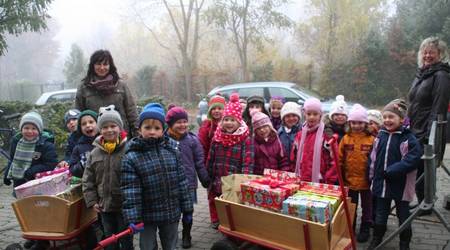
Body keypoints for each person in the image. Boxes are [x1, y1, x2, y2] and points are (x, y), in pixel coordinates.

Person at [121, 103, 193, 250]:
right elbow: (131, 191)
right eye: (147, 127)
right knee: (147, 246)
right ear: (139, 130)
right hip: (147, 217)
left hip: (171, 212)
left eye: (157, 128)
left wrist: (187, 209)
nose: (152, 132)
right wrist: (134, 218)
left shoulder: (172, 150)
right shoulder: (132, 157)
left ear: (163, 130)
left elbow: (182, 182)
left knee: (171, 245)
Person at [367, 99, 422, 250]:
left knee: (403, 215)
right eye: (385, 117)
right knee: (380, 213)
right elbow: (373, 157)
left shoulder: (408, 138)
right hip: (382, 184)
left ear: (402, 119)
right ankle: (377, 238)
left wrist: (395, 169)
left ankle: (404, 243)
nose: (387, 120)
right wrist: (370, 175)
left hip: (401, 185)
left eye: (391, 117)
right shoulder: (380, 136)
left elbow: (413, 157)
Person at [3, 111, 58, 250]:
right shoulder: (17, 141)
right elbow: (13, 160)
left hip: (37, 185)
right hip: (20, 183)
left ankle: (42, 241)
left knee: (38, 212)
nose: (29, 131)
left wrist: (30, 171)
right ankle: (33, 237)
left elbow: (50, 164)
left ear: (39, 130)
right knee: (26, 212)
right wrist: (7, 175)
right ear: (21, 129)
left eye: (33, 128)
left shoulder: (45, 145)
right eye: (26, 128)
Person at [407, 37, 450, 211]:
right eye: (424, 51)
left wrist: (429, 134)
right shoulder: (423, 73)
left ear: (440, 54)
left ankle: (427, 204)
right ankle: (423, 202)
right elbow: (414, 101)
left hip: (427, 130)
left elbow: (438, 106)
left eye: (432, 52)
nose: (427, 55)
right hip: (414, 127)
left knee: (424, 168)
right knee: (418, 168)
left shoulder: (441, 75)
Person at [82, 105, 133, 250]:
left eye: (113, 126)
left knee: (126, 239)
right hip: (104, 206)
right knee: (110, 240)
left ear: (120, 127)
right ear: (100, 130)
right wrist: (92, 201)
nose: (109, 130)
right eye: (104, 127)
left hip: (124, 206)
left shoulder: (129, 149)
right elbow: (88, 179)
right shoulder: (95, 153)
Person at [165, 106, 210, 248]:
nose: (182, 125)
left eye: (184, 121)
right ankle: (172, 236)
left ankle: (186, 234)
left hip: (189, 184)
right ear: (170, 124)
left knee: (188, 211)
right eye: (178, 122)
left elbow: (199, 161)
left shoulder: (192, 140)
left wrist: (204, 179)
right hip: (169, 184)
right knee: (173, 213)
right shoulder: (163, 139)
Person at [206, 93, 254, 229]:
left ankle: (232, 226)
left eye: (232, 120)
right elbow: (211, 156)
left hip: (234, 179)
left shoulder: (245, 138)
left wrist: (244, 179)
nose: (229, 123)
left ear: (238, 122)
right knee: (219, 202)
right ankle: (221, 222)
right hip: (218, 177)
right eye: (226, 119)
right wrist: (208, 174)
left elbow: (248, 161)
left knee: (233, 205)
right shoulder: (218, 136)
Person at [75, 49, 138, 137]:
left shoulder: (120, 85)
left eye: (105, 64)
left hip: (122, 137)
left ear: (110, 65)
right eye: (98, 64)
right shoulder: (84, 87)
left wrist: (137, 133)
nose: (102, 68)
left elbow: (131, 111)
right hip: (94, 139)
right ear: (92, 66)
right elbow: (79, 114)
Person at [338, 104, 374, 243]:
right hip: (349, 181)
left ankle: (365, 228)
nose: (356, 125)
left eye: (360, 122)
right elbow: (340, 157)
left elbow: (375, 159)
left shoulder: (371, 139)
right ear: (349, 123)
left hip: (366, 182)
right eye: (353, 122)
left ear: (365, 123)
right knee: (351, 206)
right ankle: (350, 227)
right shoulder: (346, 139)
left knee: (367, 207)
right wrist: (339, 174)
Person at [291, 98, 337, 184]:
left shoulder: (326, 135)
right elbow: (293, 157)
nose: (312, 117)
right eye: (309, 114)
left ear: (320, 115)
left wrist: (329, 178)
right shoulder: (300, 135)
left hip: (321, 180)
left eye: (315, 114)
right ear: (305, 115)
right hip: (302, 178)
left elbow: (334, 159)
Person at [252, 111, 288, 175]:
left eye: (264, 126)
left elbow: (283, 161)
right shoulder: (254, 143)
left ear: (270, 127)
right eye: (258, 128)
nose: (262, 130)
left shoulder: (277, 142)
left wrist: (284, 173)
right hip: (258, 177)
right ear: (255, 131)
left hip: (274, 177)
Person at [69, 110, 98, 178]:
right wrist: (82, 164)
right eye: (84, 124)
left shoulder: (105, 141)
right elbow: (72, 169)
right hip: (90, 183)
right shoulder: (78, 147)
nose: (88, 125)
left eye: (91, 122)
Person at [198, 95, 226, 162]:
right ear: (210, 111)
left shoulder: (228, 125)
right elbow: (202, 146)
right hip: (210, 161)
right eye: (213, 109)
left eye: (219, 108)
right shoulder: (206, 126)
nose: (216, 111)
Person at [278, 102, 302, 167]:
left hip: (297, 166)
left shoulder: (302, 131)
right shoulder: (280, 133)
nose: (291, 118)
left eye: (294, 116)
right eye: (288, 116)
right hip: (283, 166)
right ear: (283, 119)